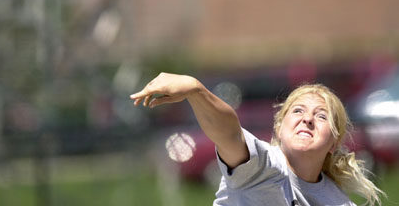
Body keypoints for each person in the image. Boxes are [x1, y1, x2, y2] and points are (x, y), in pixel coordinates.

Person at [130, 72, 385, 206]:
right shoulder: (264, 168)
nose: (307, 119)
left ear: (335, 143)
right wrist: (196, 89)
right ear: (278, 128)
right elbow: (229, 133)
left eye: (321, 116)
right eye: (297, 111)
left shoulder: (338, 202)